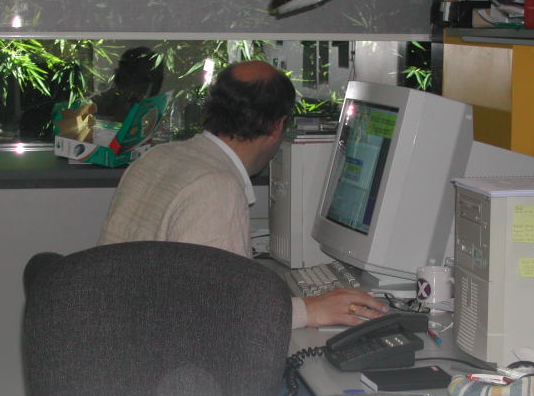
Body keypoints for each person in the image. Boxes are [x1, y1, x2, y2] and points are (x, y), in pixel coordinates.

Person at [98, 60, 387, 329]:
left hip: (115, 328)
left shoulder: (159, 156)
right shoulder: (215, 186)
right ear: (277, 125)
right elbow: (218, 314)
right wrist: (309, 310)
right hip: (149, 347)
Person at [93, 46, 165, 123]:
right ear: (124, 77)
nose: (151, 86)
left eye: (155, 80)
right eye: (144, 80)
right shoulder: (97, 107)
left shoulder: (152, 112)